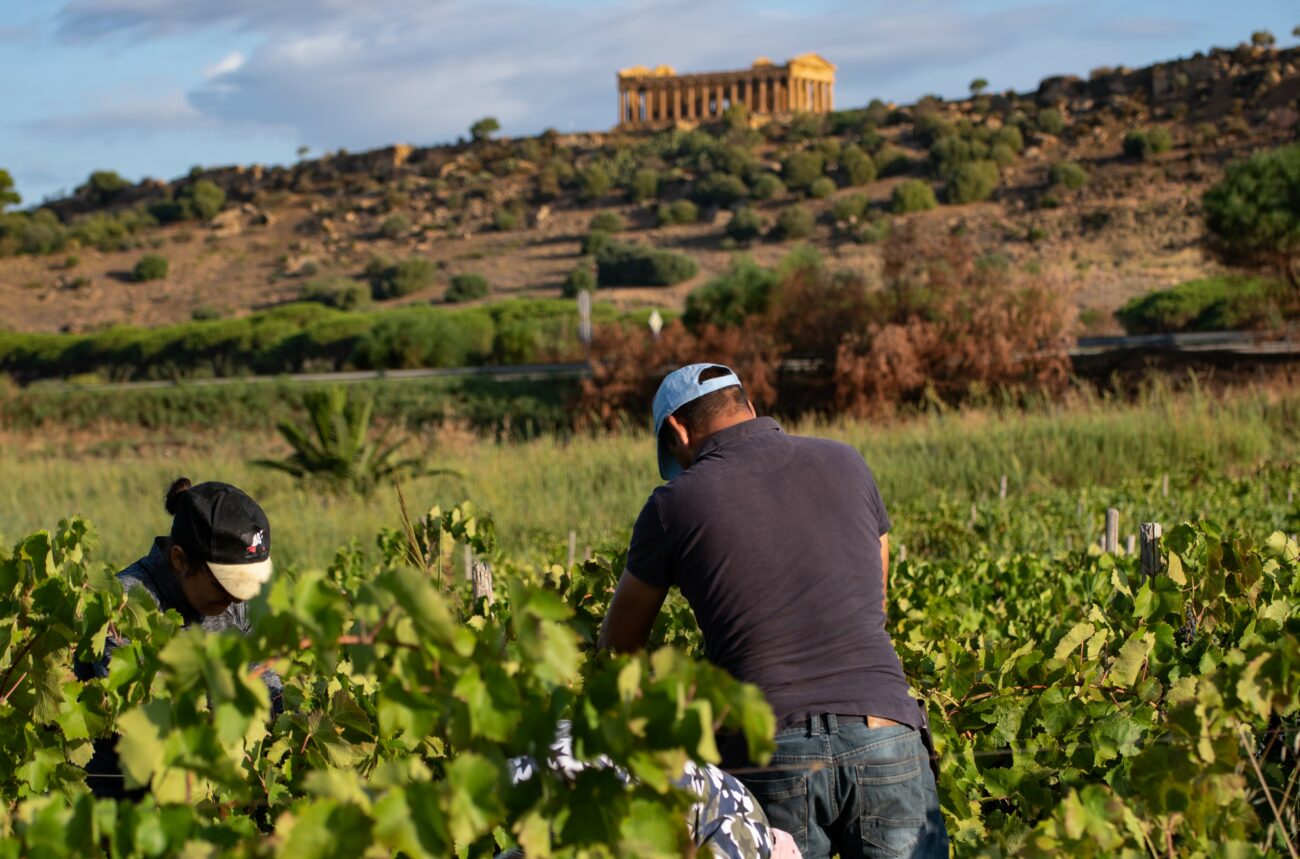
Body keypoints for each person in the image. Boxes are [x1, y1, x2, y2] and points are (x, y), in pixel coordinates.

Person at [598, 364, 949, 859]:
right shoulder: (848, 462)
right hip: (884, 728)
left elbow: (618, 645)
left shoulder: (672, 504)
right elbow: (878, 597)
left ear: (677, 430)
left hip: (769, 751)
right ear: (749, 405)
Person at [76, 477, 282, 796]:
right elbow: (145, 726)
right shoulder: (125, 606)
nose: (238, 599)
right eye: (225, 586)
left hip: (214, 790)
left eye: (245, 585)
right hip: (122, 803)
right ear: (180, 560)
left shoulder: (234, 599)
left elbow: (267, 687)